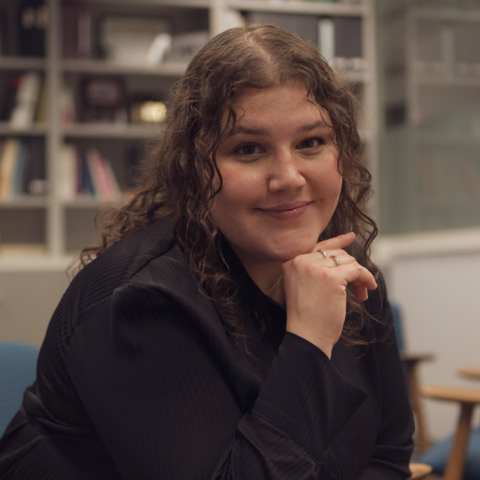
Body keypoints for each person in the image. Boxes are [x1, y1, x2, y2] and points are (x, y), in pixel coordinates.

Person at [0, 23, 414, 479]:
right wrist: (310, 341)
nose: (289, 177)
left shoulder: (347, 274)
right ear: (194, 167)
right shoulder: (141, 302)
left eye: (310, 142)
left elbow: (386, 456)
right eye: (249, 149)